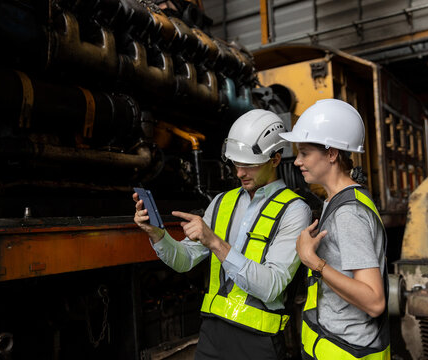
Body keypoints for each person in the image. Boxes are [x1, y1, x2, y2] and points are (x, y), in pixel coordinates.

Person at [133, 109, 311, 359]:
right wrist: (157, 235)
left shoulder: (295, 211)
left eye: (248, 165)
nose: (239, 173)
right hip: (212, 335)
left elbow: (272, 286)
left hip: (258, 341)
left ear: (275, 159)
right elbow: (184, 261)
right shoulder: (220, 202)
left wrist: (215, 242)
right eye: (237, 163)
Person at [279, 99, 391, 359]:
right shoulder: (336, 200)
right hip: (333, 345)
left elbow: (374, 302)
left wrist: (313, 261)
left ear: (331, 154)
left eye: (305, 153)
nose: (297, 162)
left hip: (346, 350)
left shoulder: (349, 213)